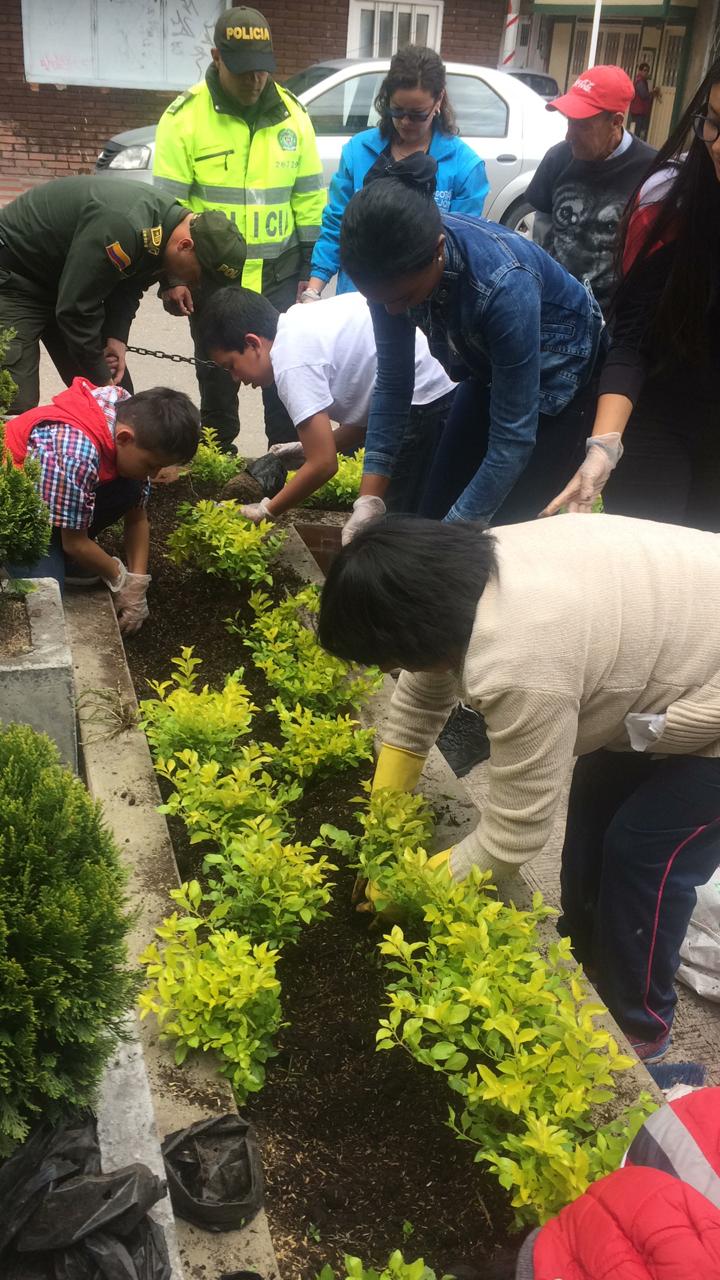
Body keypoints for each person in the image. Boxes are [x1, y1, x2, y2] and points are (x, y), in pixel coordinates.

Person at [318, 515, 720, 1061]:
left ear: (417, 634)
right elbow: (418, 701)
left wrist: (409, 890)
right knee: (594, 808)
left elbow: (513, 835)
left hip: (709, 687)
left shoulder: (522, 661)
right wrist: (381, 823)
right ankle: (587, 956)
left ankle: (638, 1026)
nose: (396, 669)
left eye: (391, 658)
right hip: (674, 647)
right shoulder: (453, 583)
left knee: (643, 849)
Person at [336, 157, 605, 542]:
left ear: (439, 250)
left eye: (404, 299)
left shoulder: (504, 284)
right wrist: (369, 500)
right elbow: (395, 383)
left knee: (507, 534)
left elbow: (513, 440)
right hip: (488, 367)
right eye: (381, 302)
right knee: (433, 513)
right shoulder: (389, 269)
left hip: (560, 378)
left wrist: (449, 545)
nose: (394, 310)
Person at [543, 56, 720, 530]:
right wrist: (603, 447)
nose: (719, 147)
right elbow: (635, 333)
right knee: (649, 562)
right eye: (714, 124)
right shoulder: (668, 202)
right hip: (661, 411)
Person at [153, 6, 326, 452]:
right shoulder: (184, 117)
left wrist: (311, 269)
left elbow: (309, 199)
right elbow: (167, 208)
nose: (255, 81)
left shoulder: (293, 116)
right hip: (210, 276)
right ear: (216, 57)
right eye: (244, 71)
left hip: (279, 272)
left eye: (263, 71)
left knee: (283, 377)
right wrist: (172, 277)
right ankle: (217, 466)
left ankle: (283, 466)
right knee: (218, 378)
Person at [199, 286, 456, 520]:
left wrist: (267, 510)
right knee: (416, 511)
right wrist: (309, 447)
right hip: (436, 389)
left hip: (425, 401)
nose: (236, 378)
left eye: (231, 366)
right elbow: (367, 417)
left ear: (253, 343)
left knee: (394, 525)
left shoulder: (290, 363)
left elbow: (323, 465)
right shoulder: (297, 321)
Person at [0, 177, 246, 415]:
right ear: (184, 246)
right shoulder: (125, 226)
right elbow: (75, 311)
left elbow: (130, 283)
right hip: (17, 279)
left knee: (121, 400)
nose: (195, 284)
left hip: (65, 284)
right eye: (199, 277)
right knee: (14, 399)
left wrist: (116, 337)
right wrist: (103, 382)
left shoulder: (165, 229)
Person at [5, 380, 200, 635]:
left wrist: (137, 583)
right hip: (19, 516)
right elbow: (73, 541)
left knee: (130, 487)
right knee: (46, 599)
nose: (154, 474)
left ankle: (68, 559)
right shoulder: (77, 451)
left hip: (54, 497)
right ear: (124, 438)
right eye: (151, 465)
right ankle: (27, 558)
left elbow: (137, 518)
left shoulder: (128, 416)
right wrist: (119, 576)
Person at [303, 45, 489, 301]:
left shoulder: (465, 167)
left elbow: (459, 249)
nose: (404, 122)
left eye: (417, 115)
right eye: (397, 111)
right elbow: (337, 224)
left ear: (439, 101)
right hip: (357, 301)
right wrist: (314, 289)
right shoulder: (358, 152)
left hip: (424, 305)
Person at [526, 65, 656, 313]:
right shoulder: (558, 159)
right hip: (555, 308)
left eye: (582, 126)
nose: (569, 136)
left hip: (616, 318)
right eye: (569, 122)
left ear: (616, 122)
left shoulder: (650, 171)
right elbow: (541, 234)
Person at [630, 61, 660, 141]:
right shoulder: (640, 82)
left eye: (647, 71)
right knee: (637, 133)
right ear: (640, 71)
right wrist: (653, 92)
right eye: (645, 70)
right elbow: (644, 95)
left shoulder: (642, 81)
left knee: (639, 132)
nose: (646, 72)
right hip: (638, 112)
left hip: (640, 111)